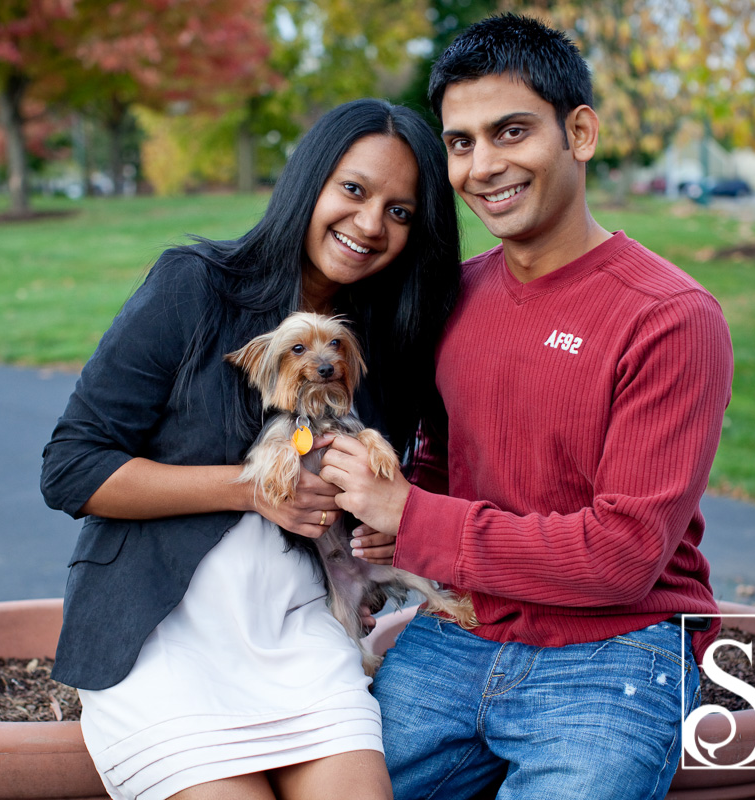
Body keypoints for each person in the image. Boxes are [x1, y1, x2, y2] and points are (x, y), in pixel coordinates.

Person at [321, 14, 734, 799]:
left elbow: (623, 555)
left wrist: (413, 516)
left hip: (617, 646)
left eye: (511, 131)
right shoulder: (457, 297)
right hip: (460, 628)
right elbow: (442, 465)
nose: (484, 166)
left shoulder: (669, 317)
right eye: (462, 142)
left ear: (579, 132)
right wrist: (383, 523)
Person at [40, 98, 461, 800]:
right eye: (353, 190)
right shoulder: (195, 286)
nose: (369, 224)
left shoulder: (380, 346)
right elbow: (72, 467)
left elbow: (386, 502)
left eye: (400, 211)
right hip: (160, 645)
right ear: (311, 180)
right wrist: (249, 488)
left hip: (302, 643)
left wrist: (384, 533)